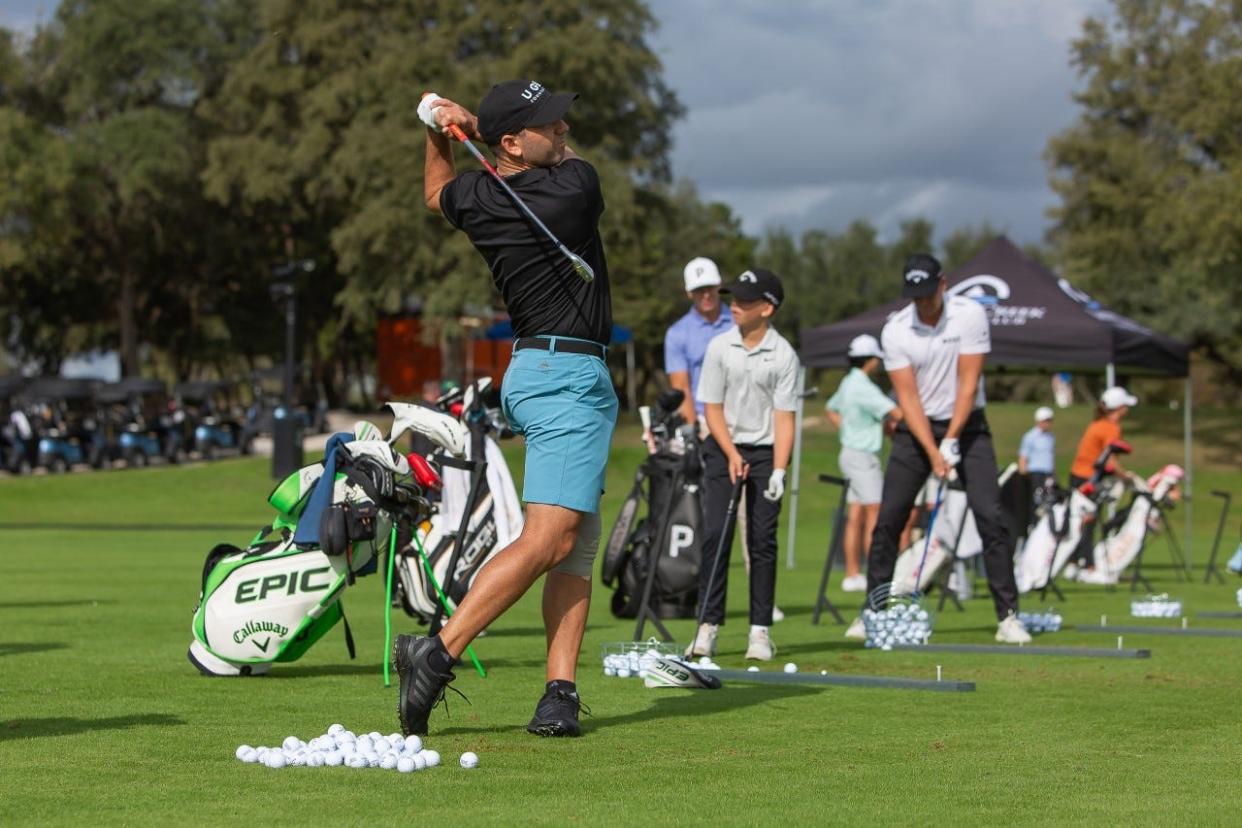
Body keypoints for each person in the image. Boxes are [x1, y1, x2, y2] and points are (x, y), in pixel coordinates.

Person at [396, 80, 617, 738]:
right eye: (551, 124)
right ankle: (438, 652)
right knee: (550, 539)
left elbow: (438, 192)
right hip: (567, 376)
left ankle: (559, 693)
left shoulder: (482, 196)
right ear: (515, 143)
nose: (565, 129)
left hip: (541, 369)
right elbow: (567, 163)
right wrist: (460, 128)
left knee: (576, 543)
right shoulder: (574, 189)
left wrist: (438, 130)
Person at [848, 253, 1031, 644]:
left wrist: (951, 440)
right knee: (889, 520)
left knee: (990, 516)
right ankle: (872, 613)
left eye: (929, 294)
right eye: (916, 297)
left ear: (943, 285)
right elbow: (908, 399)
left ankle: (1009, 617)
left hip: (970, 427)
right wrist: (933, 451)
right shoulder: (896, 330)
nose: (924, 303)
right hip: (918, 431)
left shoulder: (969, 316)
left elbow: (968, 384)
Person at [686, 268, 799, 661]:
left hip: (767, 452)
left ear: (767, 308)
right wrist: (732, 454)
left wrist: (780, 470)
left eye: (745, 301)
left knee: (762, 541)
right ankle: (708, 626)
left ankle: (760, 632)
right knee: (716, 534)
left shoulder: (784, 355)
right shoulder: (720, 347)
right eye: (733, 298)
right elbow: (711, 408)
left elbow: (785, 419)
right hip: (723, 445)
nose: (734, 305)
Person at [824, 334, 902, 592]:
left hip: (849, 452)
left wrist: (846, 432)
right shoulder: (865, 387)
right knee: (875, 513)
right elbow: (895, 412)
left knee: (856, 515)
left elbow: (830, 409)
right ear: (870, 361)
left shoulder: (848, 383)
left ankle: (852, 574)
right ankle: (875, 573)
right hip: (863, 456)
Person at [1067, 386, 1137, 572]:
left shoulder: (1097, 424)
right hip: (1088, 478)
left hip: (1078, 475)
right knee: (1088, 520)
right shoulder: (1110, 428)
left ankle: (1075, 560)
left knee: (1079, 520)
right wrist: (1125, 477)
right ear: (1119, 407)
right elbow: (1111, 459)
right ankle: (1087, 564)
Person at [664, 257, 733, 429]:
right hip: (703, 420)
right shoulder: (677, 333)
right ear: (689, 292)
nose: (706, 294)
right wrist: (692, 430)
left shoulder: (739, 322)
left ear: (719, 286)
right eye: (699, 289)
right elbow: (681, 387)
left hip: (743, 416)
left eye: (710, 287)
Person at [1018, 406, 1058, 506]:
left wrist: (1054, 474)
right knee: (1036, 501)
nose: (1048, 423)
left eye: (1049, 420)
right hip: (1035, 474)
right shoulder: (1030, 436)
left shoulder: (1051, 437)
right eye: (1046, 420)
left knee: (1049, 500)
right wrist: (1023, 476)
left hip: (1048, 474)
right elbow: (1023, 457)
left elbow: (1050, 456)